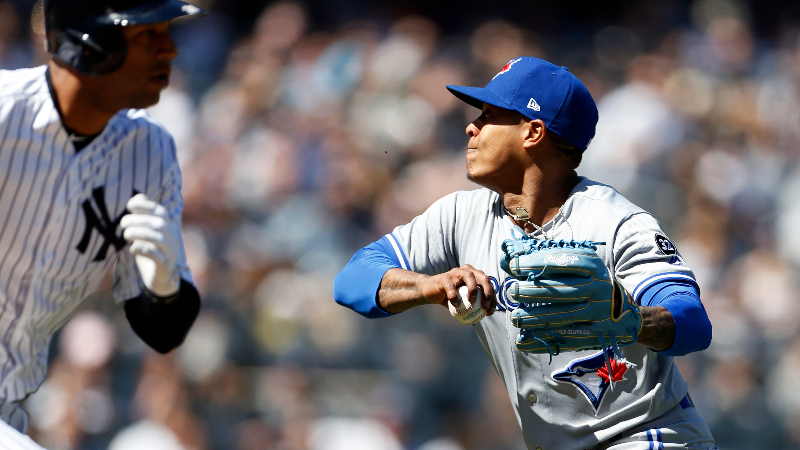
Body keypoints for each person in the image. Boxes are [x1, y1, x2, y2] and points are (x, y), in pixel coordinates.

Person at [334, 57, 717, 450]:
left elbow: (692, 322)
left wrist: (630, 319)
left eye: (489, 116)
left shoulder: (615, 221)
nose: (471, 126)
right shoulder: (460, 215)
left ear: (533, 132)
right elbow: (353, 280)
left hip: (648, 437)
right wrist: (429, 285)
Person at [0, 0, 205, 447]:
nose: (170, 50)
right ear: (91, 46)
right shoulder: (4, 112)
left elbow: (162, 332)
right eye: (148, 35)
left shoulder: (150, 153)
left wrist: (166, 290)